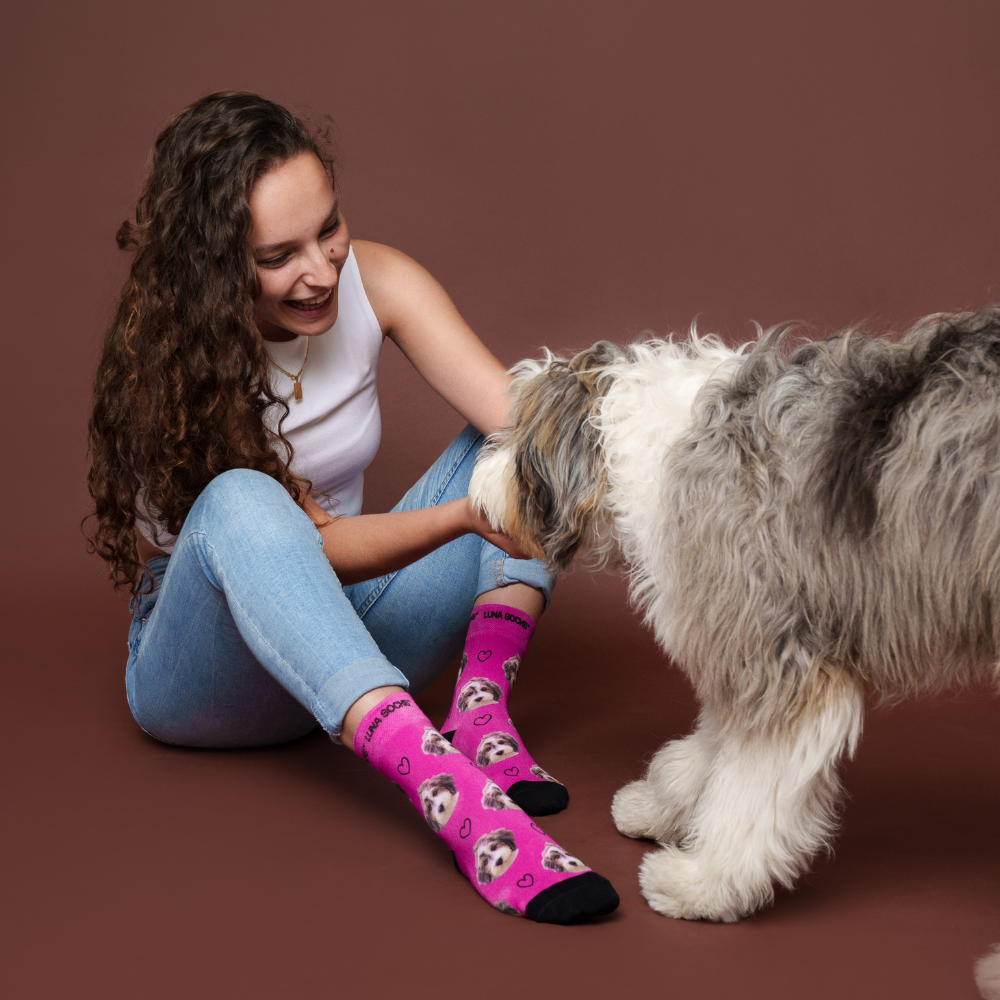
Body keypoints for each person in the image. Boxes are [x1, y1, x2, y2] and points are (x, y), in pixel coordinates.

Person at [87, 91, 619, 923]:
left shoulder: (382, 280)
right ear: (214, 264)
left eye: (327, 229)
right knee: (241, 497)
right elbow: (312, 548)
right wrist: (459, 520)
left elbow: (526, 422)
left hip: (350, 631)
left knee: (532, 439)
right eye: (278, 255)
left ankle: (480, 714)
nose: (323, 269)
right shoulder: (174, 362)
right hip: (206, 675)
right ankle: (450, 792)